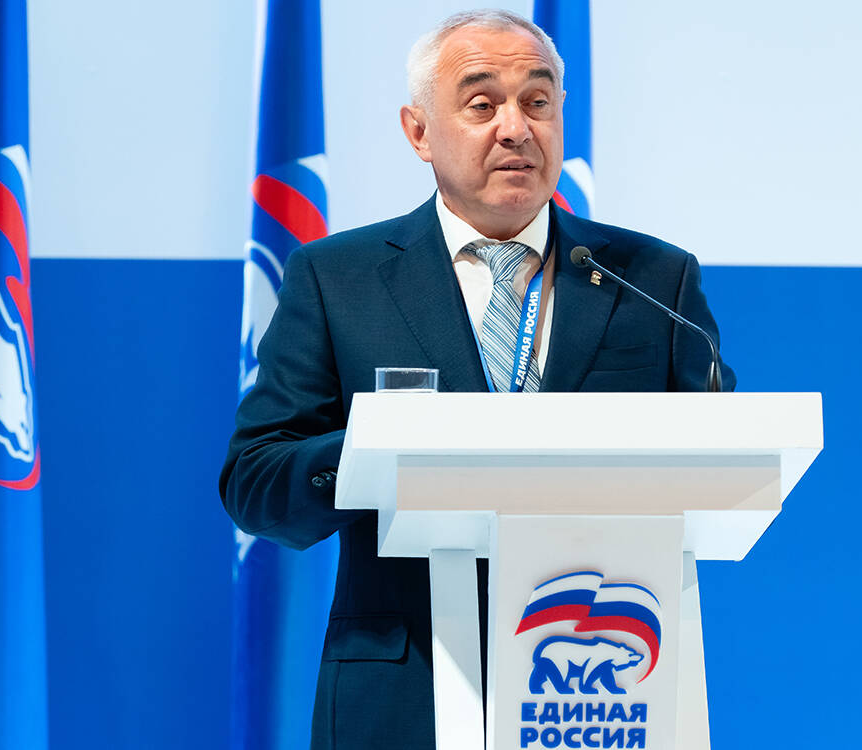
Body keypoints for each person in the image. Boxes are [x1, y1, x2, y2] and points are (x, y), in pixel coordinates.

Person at [219, 9, 736, 749]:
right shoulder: (339, 280)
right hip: (405, 696)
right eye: (482, 104)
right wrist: (374, 448)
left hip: (600, 687)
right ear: (419, 131)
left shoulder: (653, 279)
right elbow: (255, 483)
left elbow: (717, 456)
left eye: (537, 101)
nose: (516, 129)